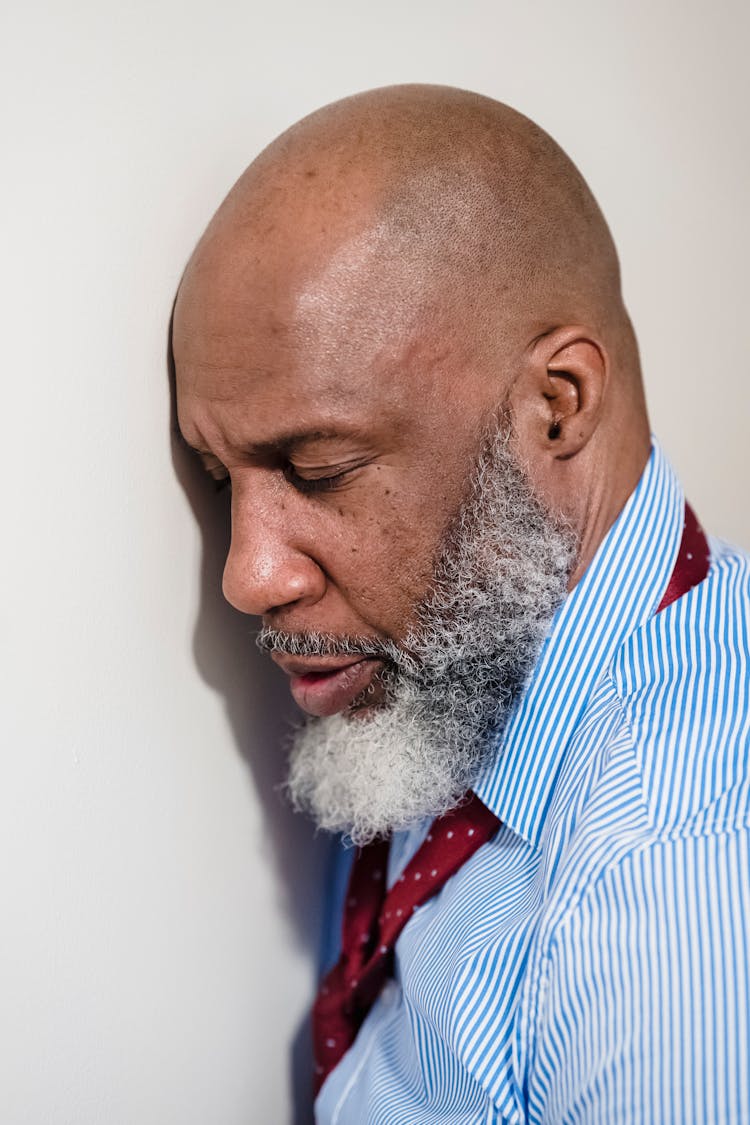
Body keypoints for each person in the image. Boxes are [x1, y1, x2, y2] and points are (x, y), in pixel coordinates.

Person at [171, 85, 750, 1124]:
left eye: (321, 468)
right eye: (220, 480)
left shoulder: (671, 878)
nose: (248, 578)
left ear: (556, 406)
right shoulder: (465, 658)